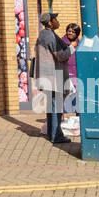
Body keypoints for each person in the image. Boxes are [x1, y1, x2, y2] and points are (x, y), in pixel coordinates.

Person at [34, 12, 75, 144]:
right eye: (55, 19)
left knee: (51, 106)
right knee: (56, 106)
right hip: (53, 76)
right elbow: (61, 55)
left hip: (47, 76)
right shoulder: (50, 37)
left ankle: (52, 133)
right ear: (50, 23)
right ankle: (56, 136)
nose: (57, 21)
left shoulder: (43, 34)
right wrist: (72, 48)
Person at [62, 22, 81, 126]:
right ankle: (61, 120)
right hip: (65, 72)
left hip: (77, 73)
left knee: (78, 96)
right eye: (69, 31)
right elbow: (62, 55)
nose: (70, 33)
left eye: (73, 32)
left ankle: (78, 121)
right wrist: (71, 46)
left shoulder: (80, 43)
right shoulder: (61, 42)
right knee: (63, 97)